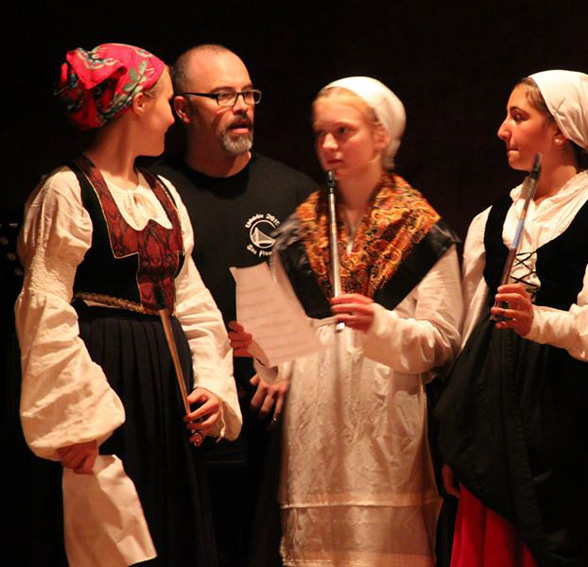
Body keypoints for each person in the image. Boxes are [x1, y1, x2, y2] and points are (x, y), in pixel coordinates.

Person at [15, 43, 241, 566]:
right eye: (165, 100)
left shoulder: (160, 192)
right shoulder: (67, 192)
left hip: (167, 382)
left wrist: (209, 382)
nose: (171, 115)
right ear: (138, 103)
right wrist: (74, 421)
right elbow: (44, 306)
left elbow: (193, 300)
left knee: (172, 530)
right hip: (107, 380)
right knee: (114, 533)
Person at [230, 76, 463, 566]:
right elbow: (285, 350)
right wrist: (262, 351)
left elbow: (443, 342)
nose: (329, 146)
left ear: (381, 136)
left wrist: (381, 324)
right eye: (320, 134)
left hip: (386, 431)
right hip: (314, 438)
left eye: (343, 131)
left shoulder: (421, 230)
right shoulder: (298, 233)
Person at [435, 70, 588, 566]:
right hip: (495, 420)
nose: (502, 130)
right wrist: (457, 435)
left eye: (518, 116)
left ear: (560, 132)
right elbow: (473, 337)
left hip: (572, 422)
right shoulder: (490, 221)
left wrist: (540, 323)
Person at [152, 44, 316, 567]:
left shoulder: (294, 191)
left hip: (274, 424)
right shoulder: (155, 192)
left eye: (247, 93)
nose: (242, 105)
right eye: (223, 95)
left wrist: (286, 353)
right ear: (182, 110)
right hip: (186, 414)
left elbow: (328, 305)